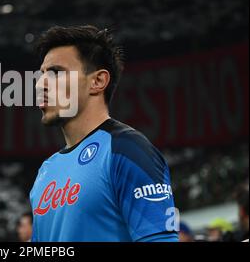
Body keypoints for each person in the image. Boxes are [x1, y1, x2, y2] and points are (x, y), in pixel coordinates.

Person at [30, 25, 178, 242]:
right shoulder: (46, 171)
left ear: (98, 81)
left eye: (56, 73)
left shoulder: (128, 150)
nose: (40, 84)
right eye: (41, 75)